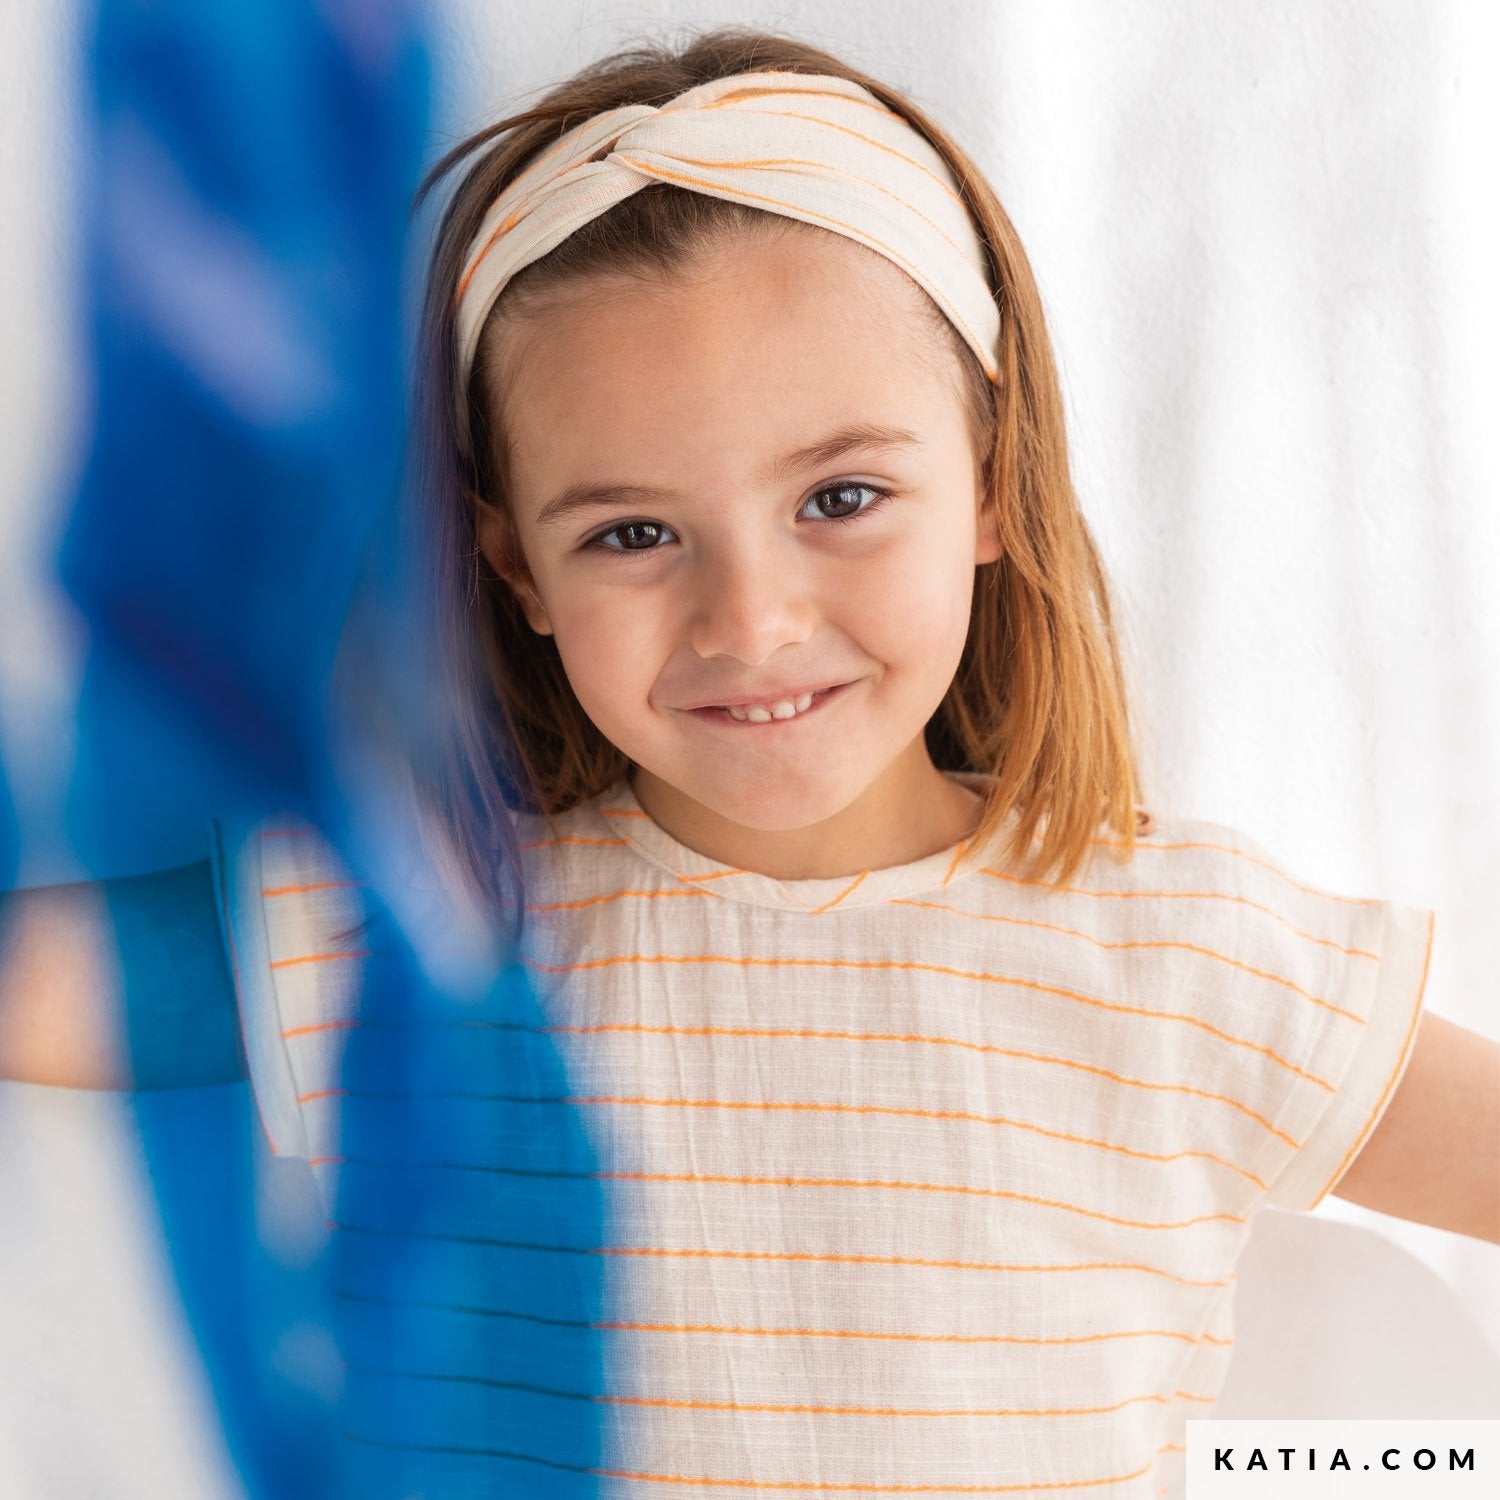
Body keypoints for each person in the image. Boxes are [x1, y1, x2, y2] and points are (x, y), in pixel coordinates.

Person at [2, 27, 1496, 1498]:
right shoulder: (446, 946)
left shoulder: (1193, 955)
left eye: (842, 496)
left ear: (991, 475)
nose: (751, 620)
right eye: (632, 535)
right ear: (516, 568)